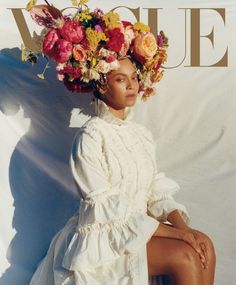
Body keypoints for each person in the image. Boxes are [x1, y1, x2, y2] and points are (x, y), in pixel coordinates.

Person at [24, 1, 216, 284]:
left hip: (140, 229)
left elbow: (155, 191)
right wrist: (179, 236)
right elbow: (107, 209)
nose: (132, 85)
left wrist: (185, 229)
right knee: (185, 256)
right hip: (104, 239)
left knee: (205, 245)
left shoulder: (140, 135)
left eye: (135, 78)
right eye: (120, 79)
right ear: (101, 85)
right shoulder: (90, 136)